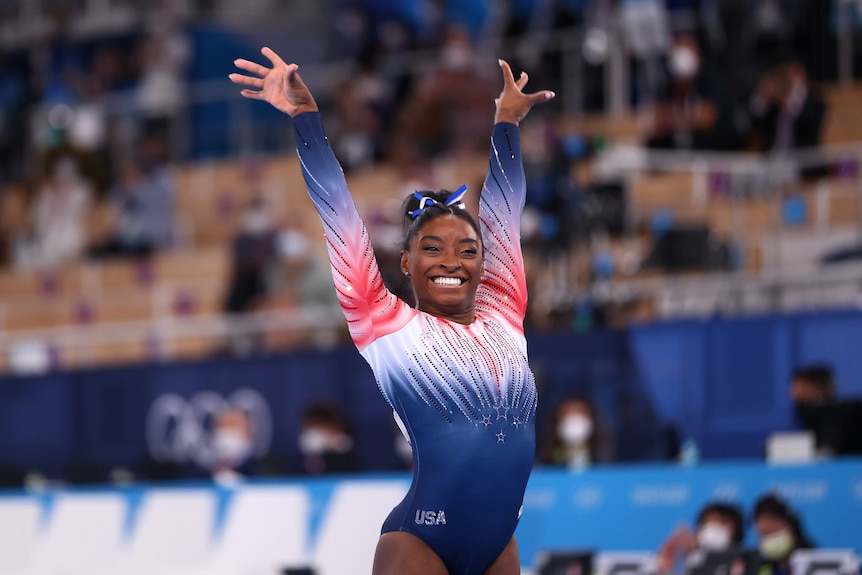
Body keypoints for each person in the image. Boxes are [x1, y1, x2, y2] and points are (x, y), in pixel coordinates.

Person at [231, 46, 554, 575]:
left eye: (468, 250)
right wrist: (306, 121)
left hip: (500, 546)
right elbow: (338, 211)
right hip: (420, 544)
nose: (452, 261)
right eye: (433, 248)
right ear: (405, 261)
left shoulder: (505, 311)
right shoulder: (386, 323)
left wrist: (506, 125)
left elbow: (503, 209)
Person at [656, 501, 746, 575]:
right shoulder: (692, 561)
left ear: (736, 529)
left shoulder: (749, 561)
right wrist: (666, 570)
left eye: (722, 522)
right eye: (709, 523)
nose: (714, 528)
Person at [537, 395, 611, 470]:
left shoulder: (605, 457)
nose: (575, 420)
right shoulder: (544, 462)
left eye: (580, 412)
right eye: (568, 413)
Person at [752, 493, 815, 575]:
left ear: (791, 524)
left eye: (772, 519)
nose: (766, 525)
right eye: (765, 536)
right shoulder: (761, 566)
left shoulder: (812, 560)